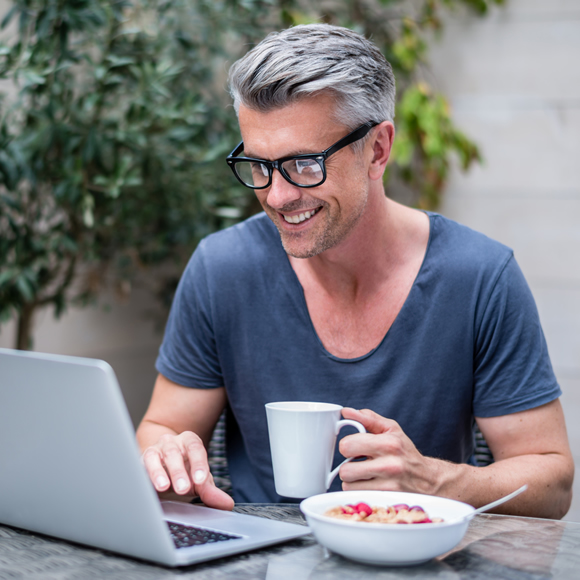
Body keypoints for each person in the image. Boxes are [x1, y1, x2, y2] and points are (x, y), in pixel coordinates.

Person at [136, 24, 574, 518]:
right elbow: (159, 429)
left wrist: (434, 480)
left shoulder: (480, 277)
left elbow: (552, 481)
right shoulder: (222, 268)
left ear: (378, 150)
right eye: (259, 165)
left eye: (304, 164)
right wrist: (165, 458)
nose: (277, 197)